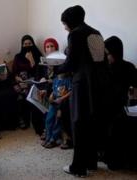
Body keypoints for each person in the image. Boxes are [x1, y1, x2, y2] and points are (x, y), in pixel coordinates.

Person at [59, 5, 111, 177]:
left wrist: (55, 69)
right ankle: (91, 162)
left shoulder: (74, 34)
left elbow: (71, 63)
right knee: (91, 121)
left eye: (65, 23)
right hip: (100, 83)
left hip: (83, 84)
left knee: (78, 123)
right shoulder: (97, 32)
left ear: (70, 21)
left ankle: (78, 167)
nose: (64, 27)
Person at [104, 36, 137, 170]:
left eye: (108, 53)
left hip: (121, 105)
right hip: (104, 104)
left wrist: (133, 103)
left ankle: (122, 160)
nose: (106, 56)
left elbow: (135, 88)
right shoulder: (103, 68)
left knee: (120, 122)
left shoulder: (128, 67)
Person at [12, 35, 45, 133]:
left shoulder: (38, 56)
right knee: (18, 93)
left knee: (29, 91)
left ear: (33, 44)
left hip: (33, 81)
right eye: (25, 44)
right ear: (22, 45)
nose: (27, 46)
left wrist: (31, 60)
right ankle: (22, 119)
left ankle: (33, 121)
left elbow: (38, 72)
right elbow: (14, 71)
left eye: (29, 44)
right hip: (20, 81)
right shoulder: (18, 56)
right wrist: (17, 78)